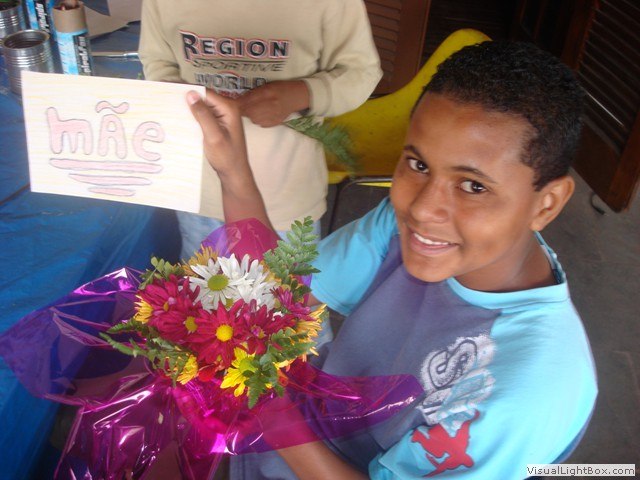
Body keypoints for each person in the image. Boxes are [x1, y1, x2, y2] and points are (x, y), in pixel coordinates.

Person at [185, 40, 598, 479]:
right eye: (418, 165)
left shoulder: (526, 392)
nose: (423, 209)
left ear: (547, 204)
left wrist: (269, 406)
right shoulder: (407, 230)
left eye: (473, 187)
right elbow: (281, 291)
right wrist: (233, 169)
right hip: (282, 440)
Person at [138, 0, 382, 258]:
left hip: (283, 201)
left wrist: (302, 94)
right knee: (203, 282)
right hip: (200, 194)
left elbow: (361, 71)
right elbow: (157, 60)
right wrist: (186, 98)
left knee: (283, 283)